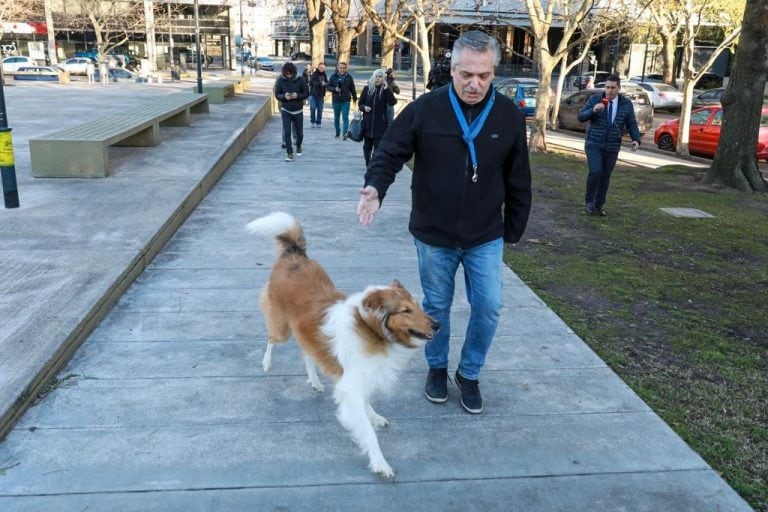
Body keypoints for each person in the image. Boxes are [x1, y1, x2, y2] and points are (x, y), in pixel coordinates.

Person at [356, 31, 532, 415]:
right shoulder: (425, 109)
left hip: (485, 233)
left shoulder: (508, 116)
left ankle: (468, 373)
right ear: (451, 69)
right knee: (436, 305)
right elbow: (389, 151)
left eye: (484, 76)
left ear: (493, 72)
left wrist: (514, 227)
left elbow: (519, 176)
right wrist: (375, 187)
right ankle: (436, 368)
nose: (474, 84)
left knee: (488, 306)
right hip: (434, 233)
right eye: (466, 74)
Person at [577, 74, 640, 216]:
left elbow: (631, 123)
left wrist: (636, 139)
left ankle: (598, 205)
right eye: (607, 87)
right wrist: (593, 110)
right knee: (596, 172)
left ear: (618, 88)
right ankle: (589, 202)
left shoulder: (626, 103)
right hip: (594, 143)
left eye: (613, 88)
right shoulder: (595, 99)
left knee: (605, 176)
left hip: (612, 145)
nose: (609, 91)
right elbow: (581, 117)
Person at [358, 69, 397, 166]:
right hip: (368, 123)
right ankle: (368, 163)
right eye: (376, 76)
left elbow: (393, 102)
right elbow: (360, 104)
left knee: (378, 148)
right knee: (367, 146)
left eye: (380, 77)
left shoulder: (384, 90)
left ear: (383, 79)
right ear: (373, 77)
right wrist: (364, 107)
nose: (378, 78)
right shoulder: (367, 89)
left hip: (380, 124)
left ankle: (374, 164)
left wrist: (387, 89)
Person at [274, 62, 309, 161]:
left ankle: (298, 145)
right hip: (286, 109)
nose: (289, 76)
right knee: (287, 132)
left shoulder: (301, 80)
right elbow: (277, 94)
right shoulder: (280, 80)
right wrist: (284, 96)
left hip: (298, 110)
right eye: (287, 74)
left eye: (291, 74)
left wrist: (297, 95)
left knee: (300, 133)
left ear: (294, 72)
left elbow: (306, 92)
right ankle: (289, 153)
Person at [328, 62, 358, 139]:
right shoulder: (333, 76)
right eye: (340, 68)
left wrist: (354, 98)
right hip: (336, 100)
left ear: (346, 69)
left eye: (344, 68)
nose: (342, 69)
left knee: (345, 117)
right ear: (338, 68)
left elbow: (352, 88)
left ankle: (345, 134)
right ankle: (337, 132)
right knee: (336, 117)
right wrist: (334, 89)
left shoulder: (349, 77)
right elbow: (328, 86)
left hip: (346, 100)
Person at [308, 62, 329, 128]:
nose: (321, 69)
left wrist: (325, 84)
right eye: (320, 67)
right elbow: (311, 83)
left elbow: (327, 83)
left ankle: (318, 122)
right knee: (313, 108)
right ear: (318, 67)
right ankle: (313, 121)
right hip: (313, 94)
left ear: (324, 68)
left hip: (321, 95)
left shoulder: (324, 75)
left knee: (320, 109)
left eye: (323, 68)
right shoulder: (314, 74)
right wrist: (319, 83)